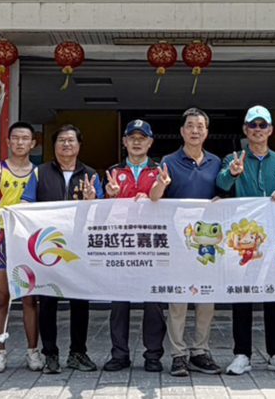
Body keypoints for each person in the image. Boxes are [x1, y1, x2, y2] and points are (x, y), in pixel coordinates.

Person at [215, 106, 275, 376]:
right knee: (242, 295)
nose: (257, 130)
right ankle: (242, 353)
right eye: (252, 125)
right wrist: (233, 173)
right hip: (243, 240)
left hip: (273, 238)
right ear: (245, 130)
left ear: (270, 130)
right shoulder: (232, 158)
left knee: (274, 295)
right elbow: (221, 185)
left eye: (262, 125)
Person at [21, 124, 103, 374]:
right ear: (54, 146)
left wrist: (91, 200)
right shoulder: (40, 173)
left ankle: (78, 352)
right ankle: (50, 354)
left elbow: (100, 213)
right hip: (48, 249)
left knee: (80, 302)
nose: (66, 145)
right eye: (61, 141)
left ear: (79, 146)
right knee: (48, 302)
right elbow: (26, 205)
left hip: (78, 249)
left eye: (71, 141)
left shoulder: (90, 175)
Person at [148, 107, 224, 377]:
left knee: (206, 299)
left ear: (207, 132)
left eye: (200, 126)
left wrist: (222, 200)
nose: (195, 131)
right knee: (178, 301)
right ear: (181, 131)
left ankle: (200, 351)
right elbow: (154, 197)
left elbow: (224, 194)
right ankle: (178, 354)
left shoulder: (216, 162)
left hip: (207, 244)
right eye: (190, 126)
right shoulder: (168, 161)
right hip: (178, 242)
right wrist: (161, 184)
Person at [102, 119, 166, 373]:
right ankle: (119, 354)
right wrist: (110, 194)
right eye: (132, 138)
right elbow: (101, 209)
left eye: (142, 138)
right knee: (119, 303)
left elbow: (167, 204)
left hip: (152, 245)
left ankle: (153, 355)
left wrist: (157, 190)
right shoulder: (113, 171)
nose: (137, 142)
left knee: (153, 303)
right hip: (122, 245)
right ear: (124, 142)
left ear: (150, 143)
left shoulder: (160, 170)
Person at [0, 121, 42, 373]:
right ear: (7, 142)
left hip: (28, 241)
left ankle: (33, 352)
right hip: (2, 239)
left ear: (33, 143)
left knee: (29, 298)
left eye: (25, 138)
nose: (20, 142)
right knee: (1, 297)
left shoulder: (39, 173)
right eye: (16, 138)